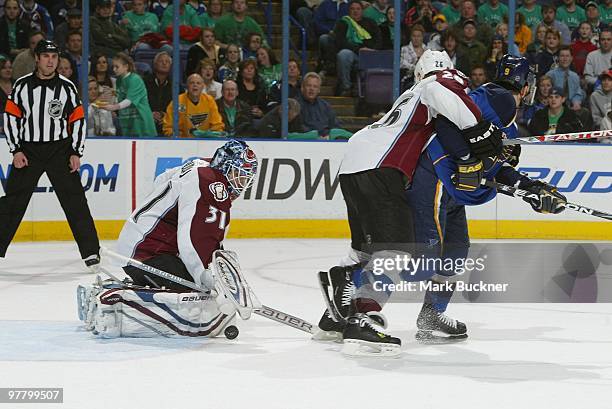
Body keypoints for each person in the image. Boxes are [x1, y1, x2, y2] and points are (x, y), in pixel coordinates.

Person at [315, 50, 505, 356]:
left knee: (368, 248)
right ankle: (357, 306)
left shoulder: (407, 97)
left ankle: (336, 316)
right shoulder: (438, 81)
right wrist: (480, 131)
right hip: (381, 168)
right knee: (400, 251)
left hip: (352, 163)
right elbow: (441, 89)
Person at [81, 140, 258, 337]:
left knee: (199, 288)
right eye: (238, 176)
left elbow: (161, 179)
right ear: (224, 165)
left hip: (143, 246)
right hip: (147, 253)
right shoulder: (211, 183)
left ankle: (132, 288)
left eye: (245, 179)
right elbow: (195, 238)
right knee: (198, 294)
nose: (241, 184)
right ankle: (115, 301)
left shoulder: (202, 166)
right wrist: (208, 278)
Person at [0, 40, 100, 269]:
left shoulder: (67, 87)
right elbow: (11, 118)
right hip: (29, 150)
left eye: (54, 57)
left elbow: (77, 120)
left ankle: (91, 252)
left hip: (60, 150)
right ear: (37, 58)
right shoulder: (22, 86)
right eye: (46, 56)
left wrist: (76, 151)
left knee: (75, 201)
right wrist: (15, 149)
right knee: (12, 202)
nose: (50, 61)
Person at [101, 52, 156, 137]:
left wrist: (113, 107)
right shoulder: (119, 80)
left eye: (117, 67)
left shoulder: (135, 79)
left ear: (126, 67)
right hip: (127, 120)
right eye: (113, 67)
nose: (114, 69)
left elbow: (129, 101)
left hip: (141, 121)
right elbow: (120, 98)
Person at [334, 0, 382, 96]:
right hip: (353, 55)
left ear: (362, 11)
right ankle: (346, 87)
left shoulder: (370, 23)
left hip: (369, 55)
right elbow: (340, 42)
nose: (355, 11)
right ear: (349, 11)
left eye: (358, 9)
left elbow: (379, 41)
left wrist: (371, 50)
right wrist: (359, 49)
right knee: (344, 54)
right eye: (352, 9)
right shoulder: (343, 23)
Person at [297, 72, 345, 138]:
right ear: (302, 88)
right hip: (305, 142)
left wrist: (329, 136)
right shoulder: (296, 105)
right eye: (309, 85)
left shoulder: (326, 106)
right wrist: (316, 136)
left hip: (327, 141)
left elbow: (336, 126)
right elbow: (298, 127)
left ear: (319, 90)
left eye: (315, 86)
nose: (312, 89)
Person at [546, 46, 586, 111]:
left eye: (567, 56)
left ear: (571, 58)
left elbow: (578, 93)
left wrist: (576, 102)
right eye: (562, 56)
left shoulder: (575, 76)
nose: (565, 59)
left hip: (571, 107)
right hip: (555, 107)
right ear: (558, 58)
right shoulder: (550, 75)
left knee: (585, 112)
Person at [144, 51, 172, 135]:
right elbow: (139, 103)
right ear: (155, 64)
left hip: (166, 122)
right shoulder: (144, 82)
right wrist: (149, 113)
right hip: (146, 119)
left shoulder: (175, 85)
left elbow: (179, 106)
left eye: (167, 62)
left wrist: (165, 115)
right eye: (161, 61)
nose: (164, 63)